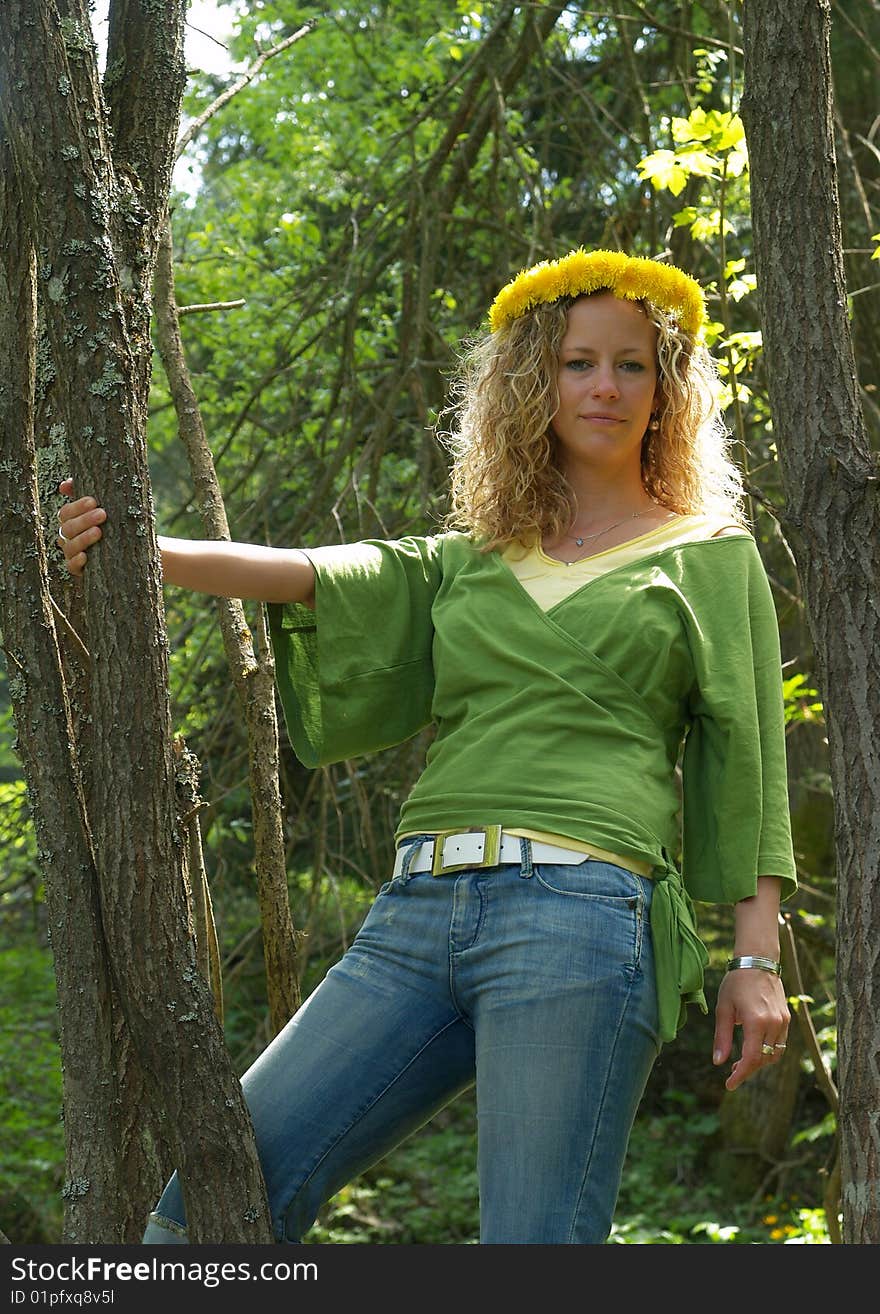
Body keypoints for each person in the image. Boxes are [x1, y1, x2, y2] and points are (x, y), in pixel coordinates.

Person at [58, 247, 796, 1245]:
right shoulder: (469, 559)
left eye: (633, 364)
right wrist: (139, 548)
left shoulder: (709, 552)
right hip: (414, 917)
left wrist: (754, 958)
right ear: (535, 380)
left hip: (581, 920)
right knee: (200, 1219)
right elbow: (310, 573)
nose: (605, 387)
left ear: (667, 390)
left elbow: (743, 759)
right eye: (579, 362)